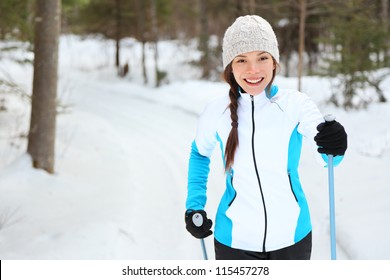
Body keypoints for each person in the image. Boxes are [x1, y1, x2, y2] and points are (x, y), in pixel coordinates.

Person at [184, 15, 347, 260]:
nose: (253, 69)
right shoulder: (216, 112)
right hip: (233, 243)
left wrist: (335, 141)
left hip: (292, 239)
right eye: (242, 60)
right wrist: (194, 205)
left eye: (262, 57)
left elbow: (327, 156)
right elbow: (199, 153)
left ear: (274, 62)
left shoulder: (295, 105)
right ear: (230, 67)